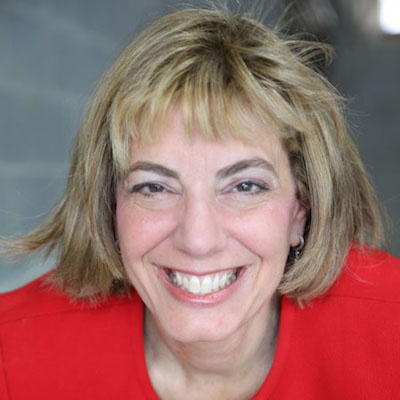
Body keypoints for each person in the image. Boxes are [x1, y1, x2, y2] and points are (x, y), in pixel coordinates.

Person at [1, 5, 399, 400]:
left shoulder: (389, 326)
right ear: (110, 207)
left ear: (300, 209)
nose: (198, 239)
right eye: (154, 188)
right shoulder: (12, 353)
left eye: (245, 186)